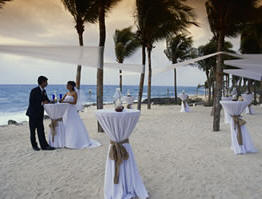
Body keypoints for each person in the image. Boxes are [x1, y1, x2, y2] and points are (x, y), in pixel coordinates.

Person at [60, 81, 101, 149]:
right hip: (66, 111)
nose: (66, 86)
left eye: (68, 85)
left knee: (73, 124)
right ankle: (66, 141)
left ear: (71, 86)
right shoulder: (67, 93)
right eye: (66, 85)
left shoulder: (74, 93)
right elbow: (62, 100)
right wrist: (61, 100)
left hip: (72, 110)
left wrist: (66, 101)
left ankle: (74, 141)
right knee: (66, 124)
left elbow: (75, 102)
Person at [26, 76, 55, 151]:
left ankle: (44, 146)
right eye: (46, 82)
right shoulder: (34, 91)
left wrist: (51, 102)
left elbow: (46, 100)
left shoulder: (44, 91)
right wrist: (42, 102)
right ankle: (34, 146)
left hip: (40, 114)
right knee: (33, 131)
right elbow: (32, 102)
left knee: (41, 130)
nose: (47, 83)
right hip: (32, 114)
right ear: (42, 82)